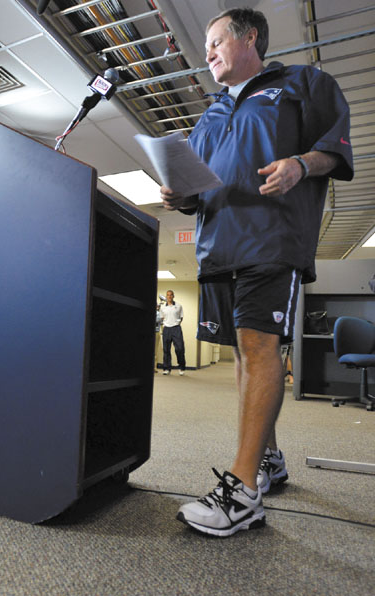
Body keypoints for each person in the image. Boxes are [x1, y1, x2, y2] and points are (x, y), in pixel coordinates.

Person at [161, 8, 353, 537]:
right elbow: (193, 192)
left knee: (261, 348)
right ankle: (269, 459)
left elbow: (334, 150)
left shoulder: (300, 83)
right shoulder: (212, 114)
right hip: (219, 247)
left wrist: (300, 165)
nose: (208, 53)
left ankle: (243, 492)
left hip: (273, 237)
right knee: (246, 355)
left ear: (249, 38)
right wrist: (178, 195)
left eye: (215, 41)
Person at [160, 290, 186, 376]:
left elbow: (181, 317)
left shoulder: (178, 306)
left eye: (171, 295)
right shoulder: (163, 307)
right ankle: (167, 368)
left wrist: (176, 323)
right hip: (166, 329)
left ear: (173, 296)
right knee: (166, 349)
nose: (169, 297)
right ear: (166, 297)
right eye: (168, 295)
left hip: (176, 329)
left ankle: (181, 367)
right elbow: (161, 318)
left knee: (180, 348)